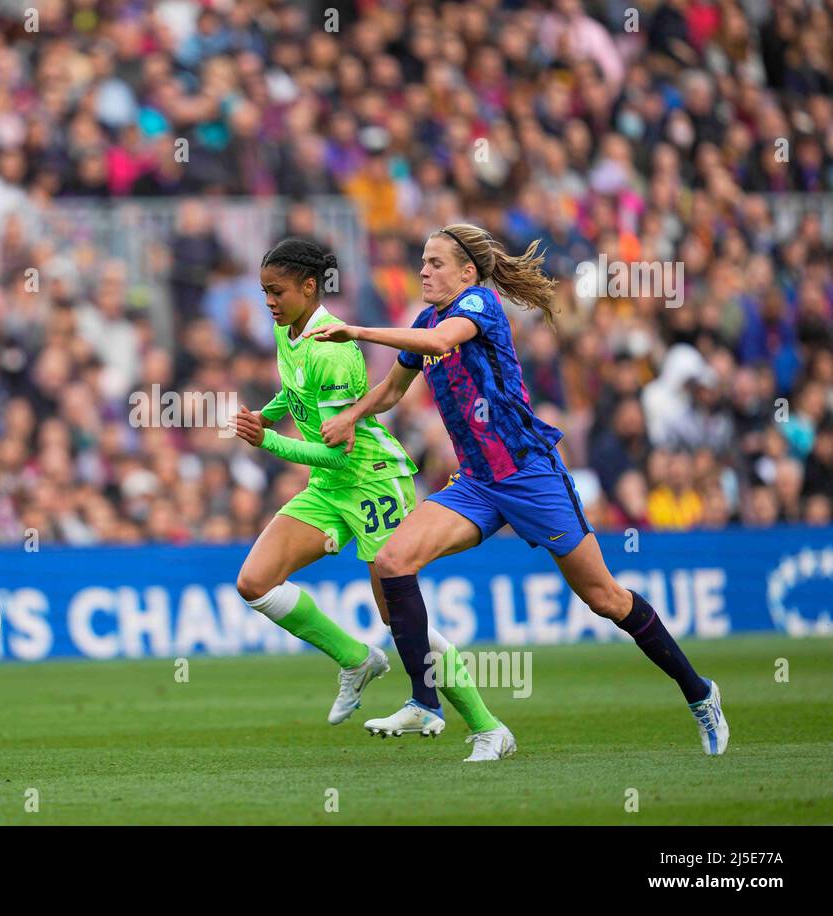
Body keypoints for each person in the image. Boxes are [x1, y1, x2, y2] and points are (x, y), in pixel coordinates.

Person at [309, 224, 729, 755]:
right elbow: (394, 389)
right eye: (422, 261)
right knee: (392, 561)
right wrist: (351, 415)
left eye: (436, 263)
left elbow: (440, 343)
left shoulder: (479, 305)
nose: (423, 271)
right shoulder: (424, 321)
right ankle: (425, 701)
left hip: (530, 475)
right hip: (477, 483)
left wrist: (359, 331)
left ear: (466, 272)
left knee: (605, 598)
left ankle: (699, 693)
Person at [228, 237, 515, 761]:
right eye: (265, 291)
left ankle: (487, 726)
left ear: (310, 287)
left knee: (398, 616)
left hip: (371, 481)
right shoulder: (286, 330)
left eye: (277, 291)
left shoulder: (335, 350)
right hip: (328, 487)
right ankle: (357, 660)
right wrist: (268, 415)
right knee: (254, 582)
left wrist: (265, 440)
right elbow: (297, 393)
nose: (269, 301)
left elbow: (339, 454)